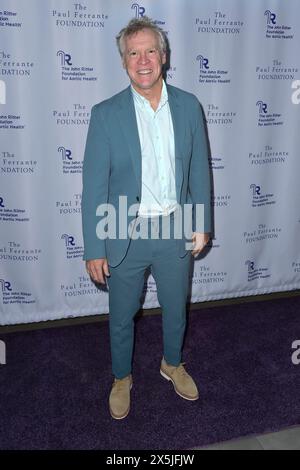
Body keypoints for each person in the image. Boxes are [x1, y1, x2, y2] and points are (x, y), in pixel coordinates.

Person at [81, 17, 211, 420]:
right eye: (133, 53)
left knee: (176, 307)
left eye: (149, 50)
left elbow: (200, 170)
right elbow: (93, 187)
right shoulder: (105, 114)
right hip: (123, 228)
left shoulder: (189, 106)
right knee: (122, 315)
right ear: (123, 62)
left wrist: (201, 222)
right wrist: (94, 246)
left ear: (164, 56)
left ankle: (172, 363)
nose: (142, 60)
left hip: (175, 226)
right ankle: (122, 377)